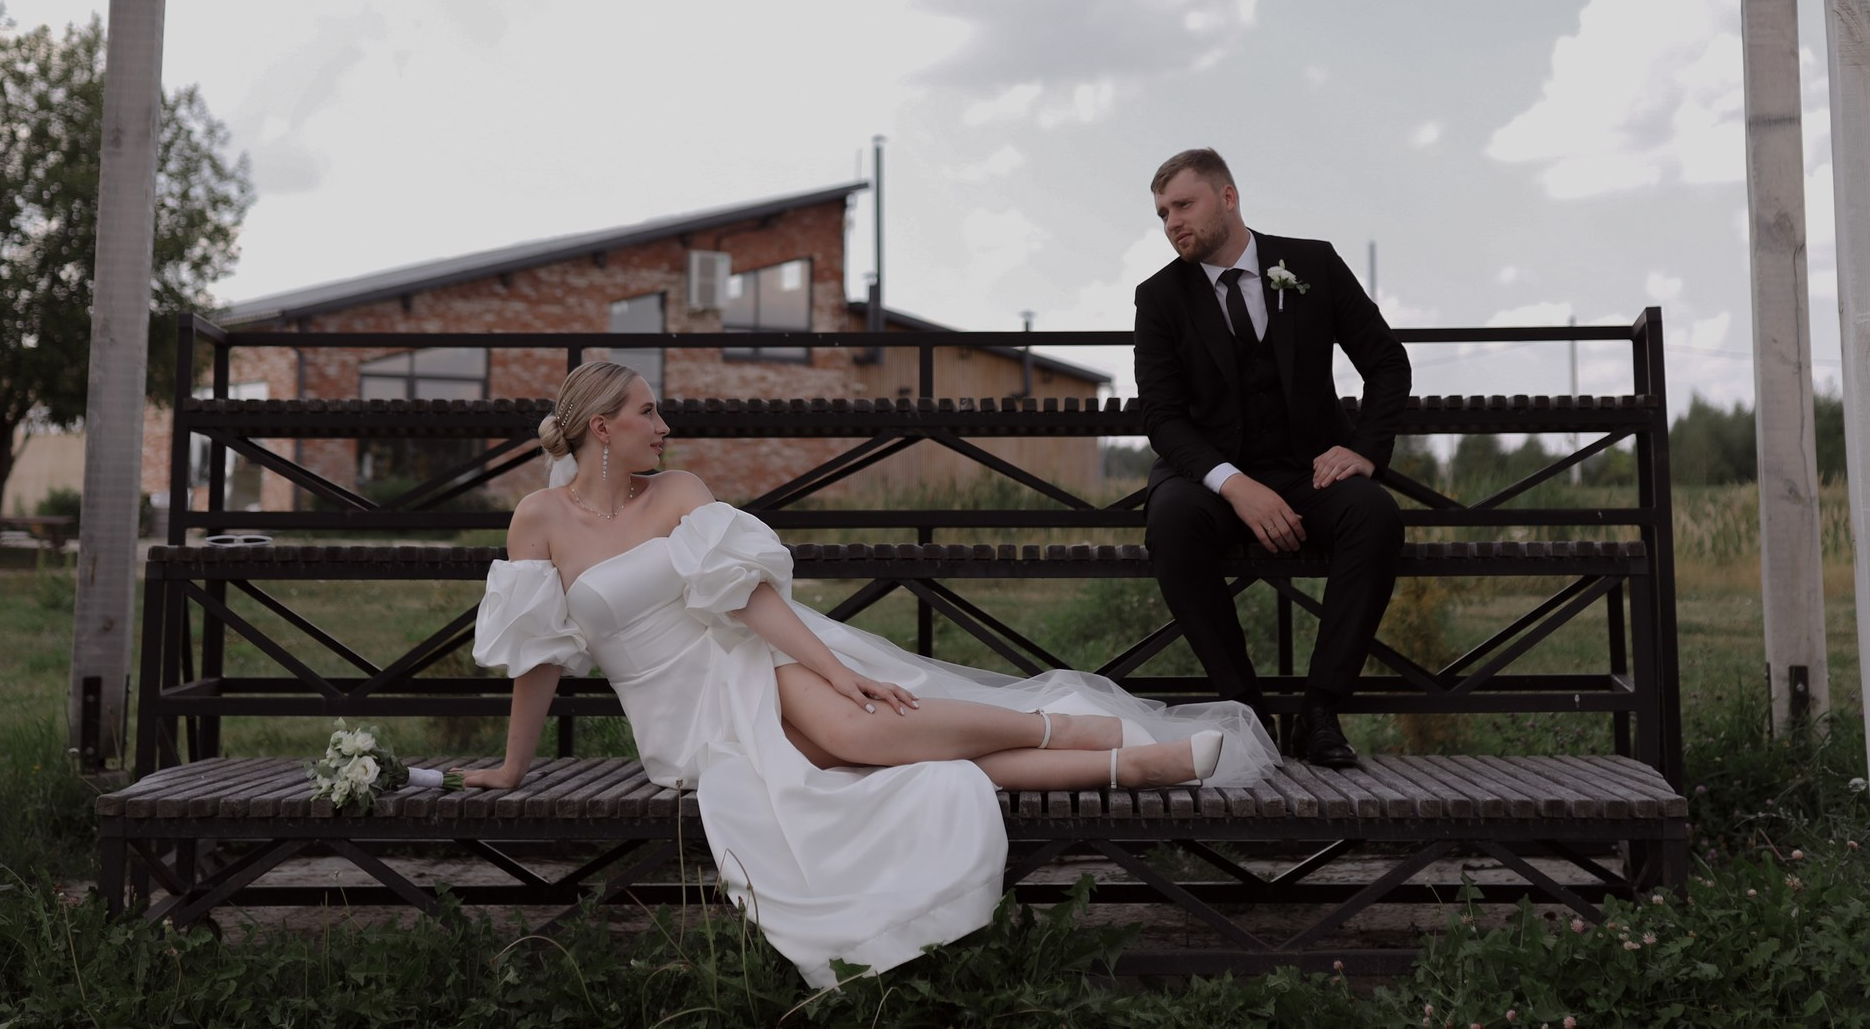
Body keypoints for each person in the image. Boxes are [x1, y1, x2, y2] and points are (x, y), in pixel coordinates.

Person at [462, 360, 1272, 986]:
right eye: (648, 411)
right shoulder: (539, 519)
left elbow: (750, 598)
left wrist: (834, 669)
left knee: (856, 729)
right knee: (907, 759)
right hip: (677, 721)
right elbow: (536, 655)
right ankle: (1114, 754)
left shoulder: (679, 491)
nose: (665, 425)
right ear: (601, 426)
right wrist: (512, 766)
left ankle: (1107, 748)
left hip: (749, 657)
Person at [1133, 148, 1412, 769]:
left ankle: (1319, 712)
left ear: (1228, 198)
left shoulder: (1310, 263)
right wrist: (1234, 485)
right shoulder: (1159, 298)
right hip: (1208, 479)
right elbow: (1162, 417)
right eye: (1162, 213)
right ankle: (1247, 712)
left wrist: (1365, 450)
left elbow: (1388, 364)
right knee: (1170, 521)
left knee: (1376, 516)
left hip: (1308, 469)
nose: (1172, 222)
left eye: (1184, 204)